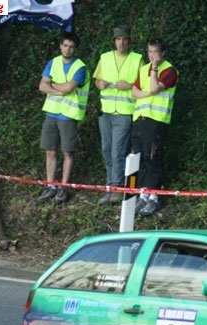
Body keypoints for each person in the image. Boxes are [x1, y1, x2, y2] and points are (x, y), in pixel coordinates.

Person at [36, 32, 90, 205]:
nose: (68, 49)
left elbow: (68, 88)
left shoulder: (80, 67)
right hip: (51, 112)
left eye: (71, 46)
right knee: (50, 151)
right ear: (60, 46)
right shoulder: (53, 62)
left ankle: (63, 187)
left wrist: (51, 85)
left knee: (67, 152)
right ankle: (51, 185)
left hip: (69, 114)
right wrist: (59, 89)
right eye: (65, 45)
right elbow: (41, 86)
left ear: (75, 49)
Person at [93, 26, 143, 205]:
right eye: (118, 39)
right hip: (105, 111)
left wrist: (129, 85)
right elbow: (97, 80)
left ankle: (117, 188)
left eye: (124, 39)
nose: (121, 42)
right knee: (107, 150)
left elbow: (144, 83)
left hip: (124, 112)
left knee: (117, 151)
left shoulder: (137, 59)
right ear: (114, 41)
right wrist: (100, 84)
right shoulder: (105, 57)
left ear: (129, 41)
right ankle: (110, 187)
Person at [131, 38, 178, 216]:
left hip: (157, 120)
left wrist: (155, 68)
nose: (151, 56)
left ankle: (154, 196)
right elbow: (134, 91)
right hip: (140, 118)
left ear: (162, 53)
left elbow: (154, 88)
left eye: (155, 52)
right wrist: (144, 93)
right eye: (149, 52)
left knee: (153, 157)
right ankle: (141, 193)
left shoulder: (169, 71)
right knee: (139, 157)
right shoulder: (143, 68)